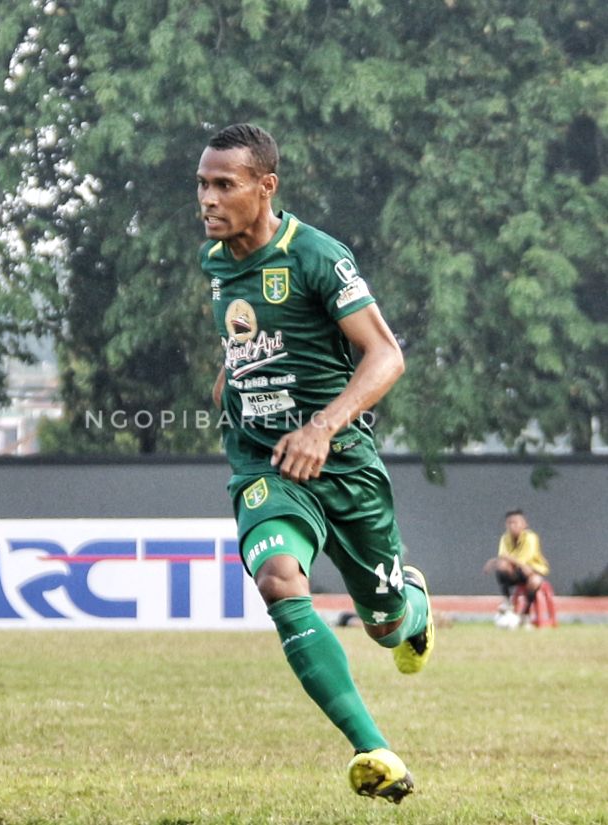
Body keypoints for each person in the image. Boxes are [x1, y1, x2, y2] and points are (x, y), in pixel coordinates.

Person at [196, 124, 434, 804]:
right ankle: (375, 750)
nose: (208, 199)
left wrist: (323, 426)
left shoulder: (316, 256)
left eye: (224, 185)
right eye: (202, 185)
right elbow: (250, 336)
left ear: (265, 187)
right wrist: (231, 380)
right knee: (278, 580)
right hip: (262, 463)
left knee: (385, 622)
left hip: (343, 462)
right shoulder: (217, 262)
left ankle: (412, 609)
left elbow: (385, 355)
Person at [484, 509, 549, 626]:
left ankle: (526, 614)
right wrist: (499, 560)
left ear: (524, 524)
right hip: (515, 571)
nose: (512, 526)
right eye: (509, 523)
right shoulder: (505, 538)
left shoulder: (531, 537)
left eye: (515, 522)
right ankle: (507, 601)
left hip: (531, 570)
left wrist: (495, 560)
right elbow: (503, 556)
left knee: (535, 581)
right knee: (502, 565)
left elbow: (524, 560)